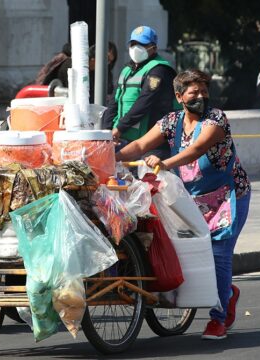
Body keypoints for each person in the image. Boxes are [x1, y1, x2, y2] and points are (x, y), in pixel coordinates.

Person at [116, 69, 251, 340]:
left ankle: (219, 319)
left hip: (227, 197)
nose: (200, 96)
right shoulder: (171, 122)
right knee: (183, 249)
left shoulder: (216, 118)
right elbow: (141, 143)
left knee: (219, 256)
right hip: (193, 200)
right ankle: (228, 293)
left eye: (204, 91)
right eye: (193, 93)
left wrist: (165, 163)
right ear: (179, 97)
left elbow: (197, 149)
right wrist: (112, 156)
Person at [102, 25, 177, 160]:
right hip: (125, 139)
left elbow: (145, 101)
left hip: (151, 143)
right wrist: (107, 131)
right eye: (133, 44)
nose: (136, 48)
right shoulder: (127, 70)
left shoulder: (159, 69)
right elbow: (114, 101)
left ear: (153, 48)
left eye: (142, 44)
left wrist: (119, 128)